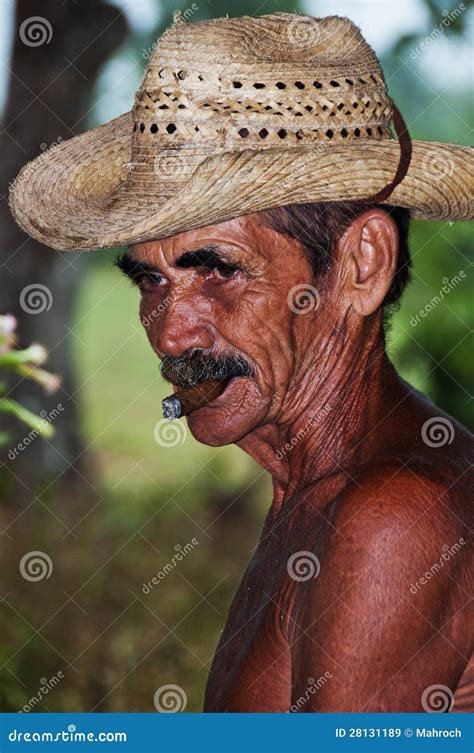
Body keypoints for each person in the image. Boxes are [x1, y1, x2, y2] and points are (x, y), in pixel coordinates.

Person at [9, 12, 473, 712]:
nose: (169, 335)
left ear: (360, 266)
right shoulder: (317, 490)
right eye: (150, 280)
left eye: (219, 270)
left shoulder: (391, 518)